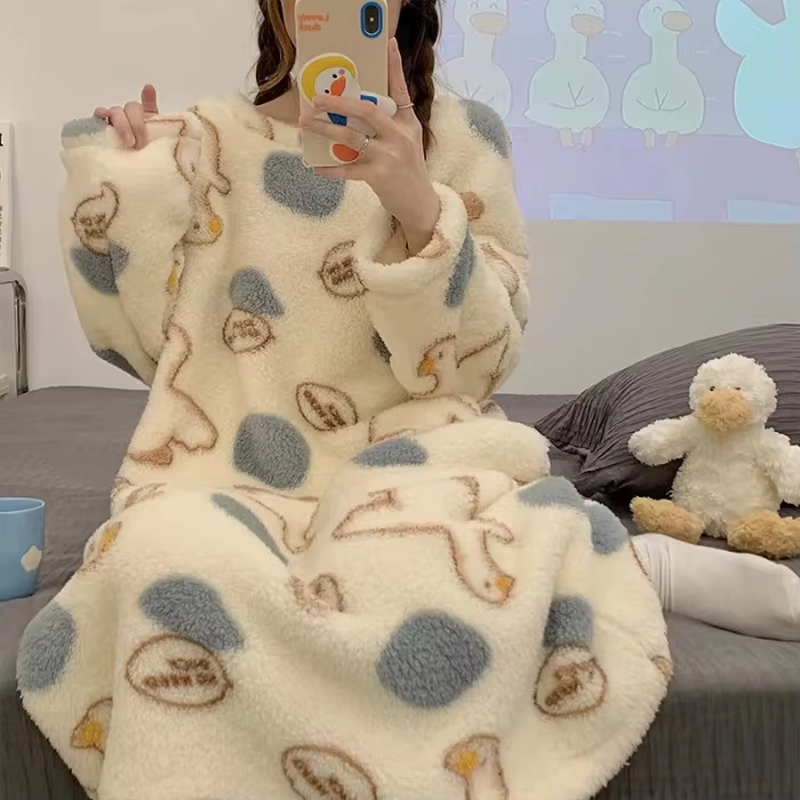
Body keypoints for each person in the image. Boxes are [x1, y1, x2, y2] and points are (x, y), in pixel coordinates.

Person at [18, 0, 798, 797]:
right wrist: (127, 189)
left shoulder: (462, 138)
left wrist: (417, 205)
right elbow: (140, 346)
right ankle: (607, 560)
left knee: (428, 557)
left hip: (415, 458)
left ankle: (616, 562)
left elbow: (479, 367)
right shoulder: (203, 141)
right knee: (158, 553)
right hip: (227, 469)